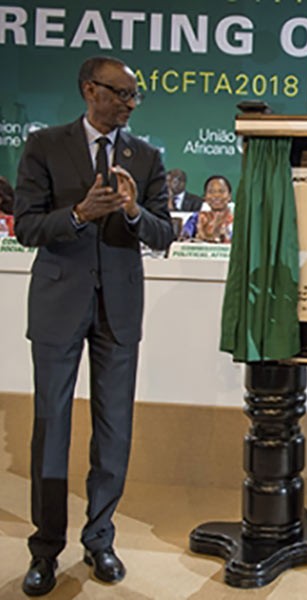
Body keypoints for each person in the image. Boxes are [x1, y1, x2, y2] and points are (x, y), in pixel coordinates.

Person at [14, 55, 173, 596]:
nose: (129, 103)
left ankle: (100, 539)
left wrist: (132, 212)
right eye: (121, 93)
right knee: (51, 425)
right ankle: (45, 549)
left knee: (114, 429)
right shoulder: (44, 146)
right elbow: (27, 227)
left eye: (134, 96)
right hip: (58, 306)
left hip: (119, 312)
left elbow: (164, 234)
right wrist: (80, 214)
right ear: (90, 90)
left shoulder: (146, 157)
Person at [180, 174, 233, 243]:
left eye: (221, 191)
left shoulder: (237, 221)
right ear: (205, 197)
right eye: (211, 192)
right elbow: (183, 238)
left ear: (229, 196)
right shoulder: (196, 219)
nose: (216, 195)